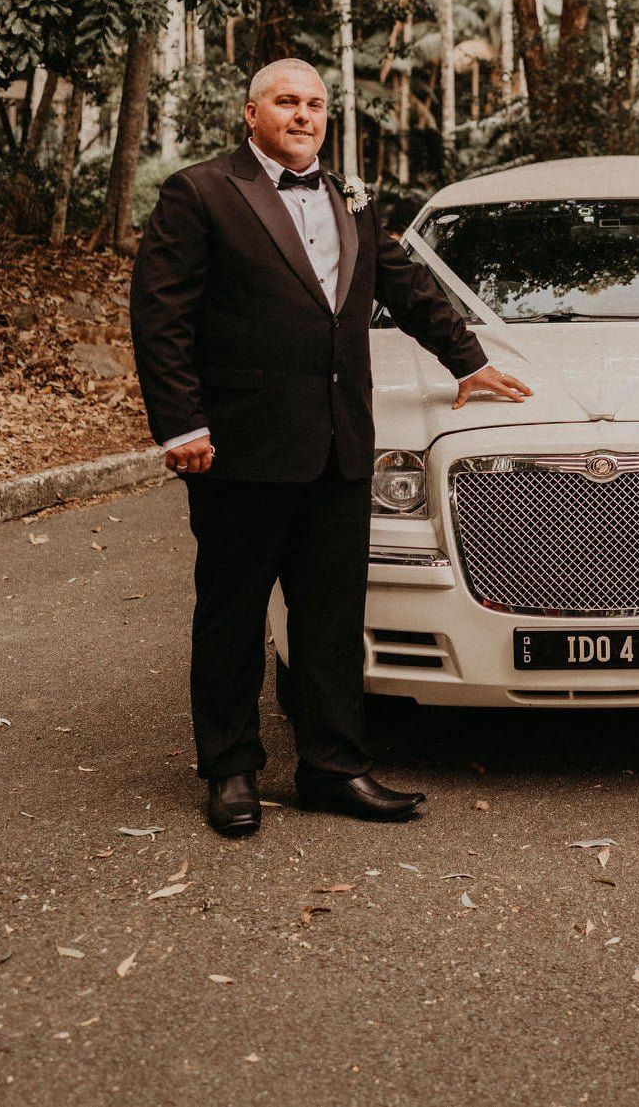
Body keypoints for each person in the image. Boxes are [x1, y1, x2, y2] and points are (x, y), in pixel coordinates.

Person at [130, 57, 530, 837]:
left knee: (331, 618)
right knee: (233, 615)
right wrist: (180, 424)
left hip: (343, 446)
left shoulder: (353, 195)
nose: (304, 114)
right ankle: (232, 770)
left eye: (315, 103)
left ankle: (333, 766)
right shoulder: (202, 192)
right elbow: (161, 318)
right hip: (240, 449)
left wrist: (469, 362)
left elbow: (403, 281)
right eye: (287, 101)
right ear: (251, 113)